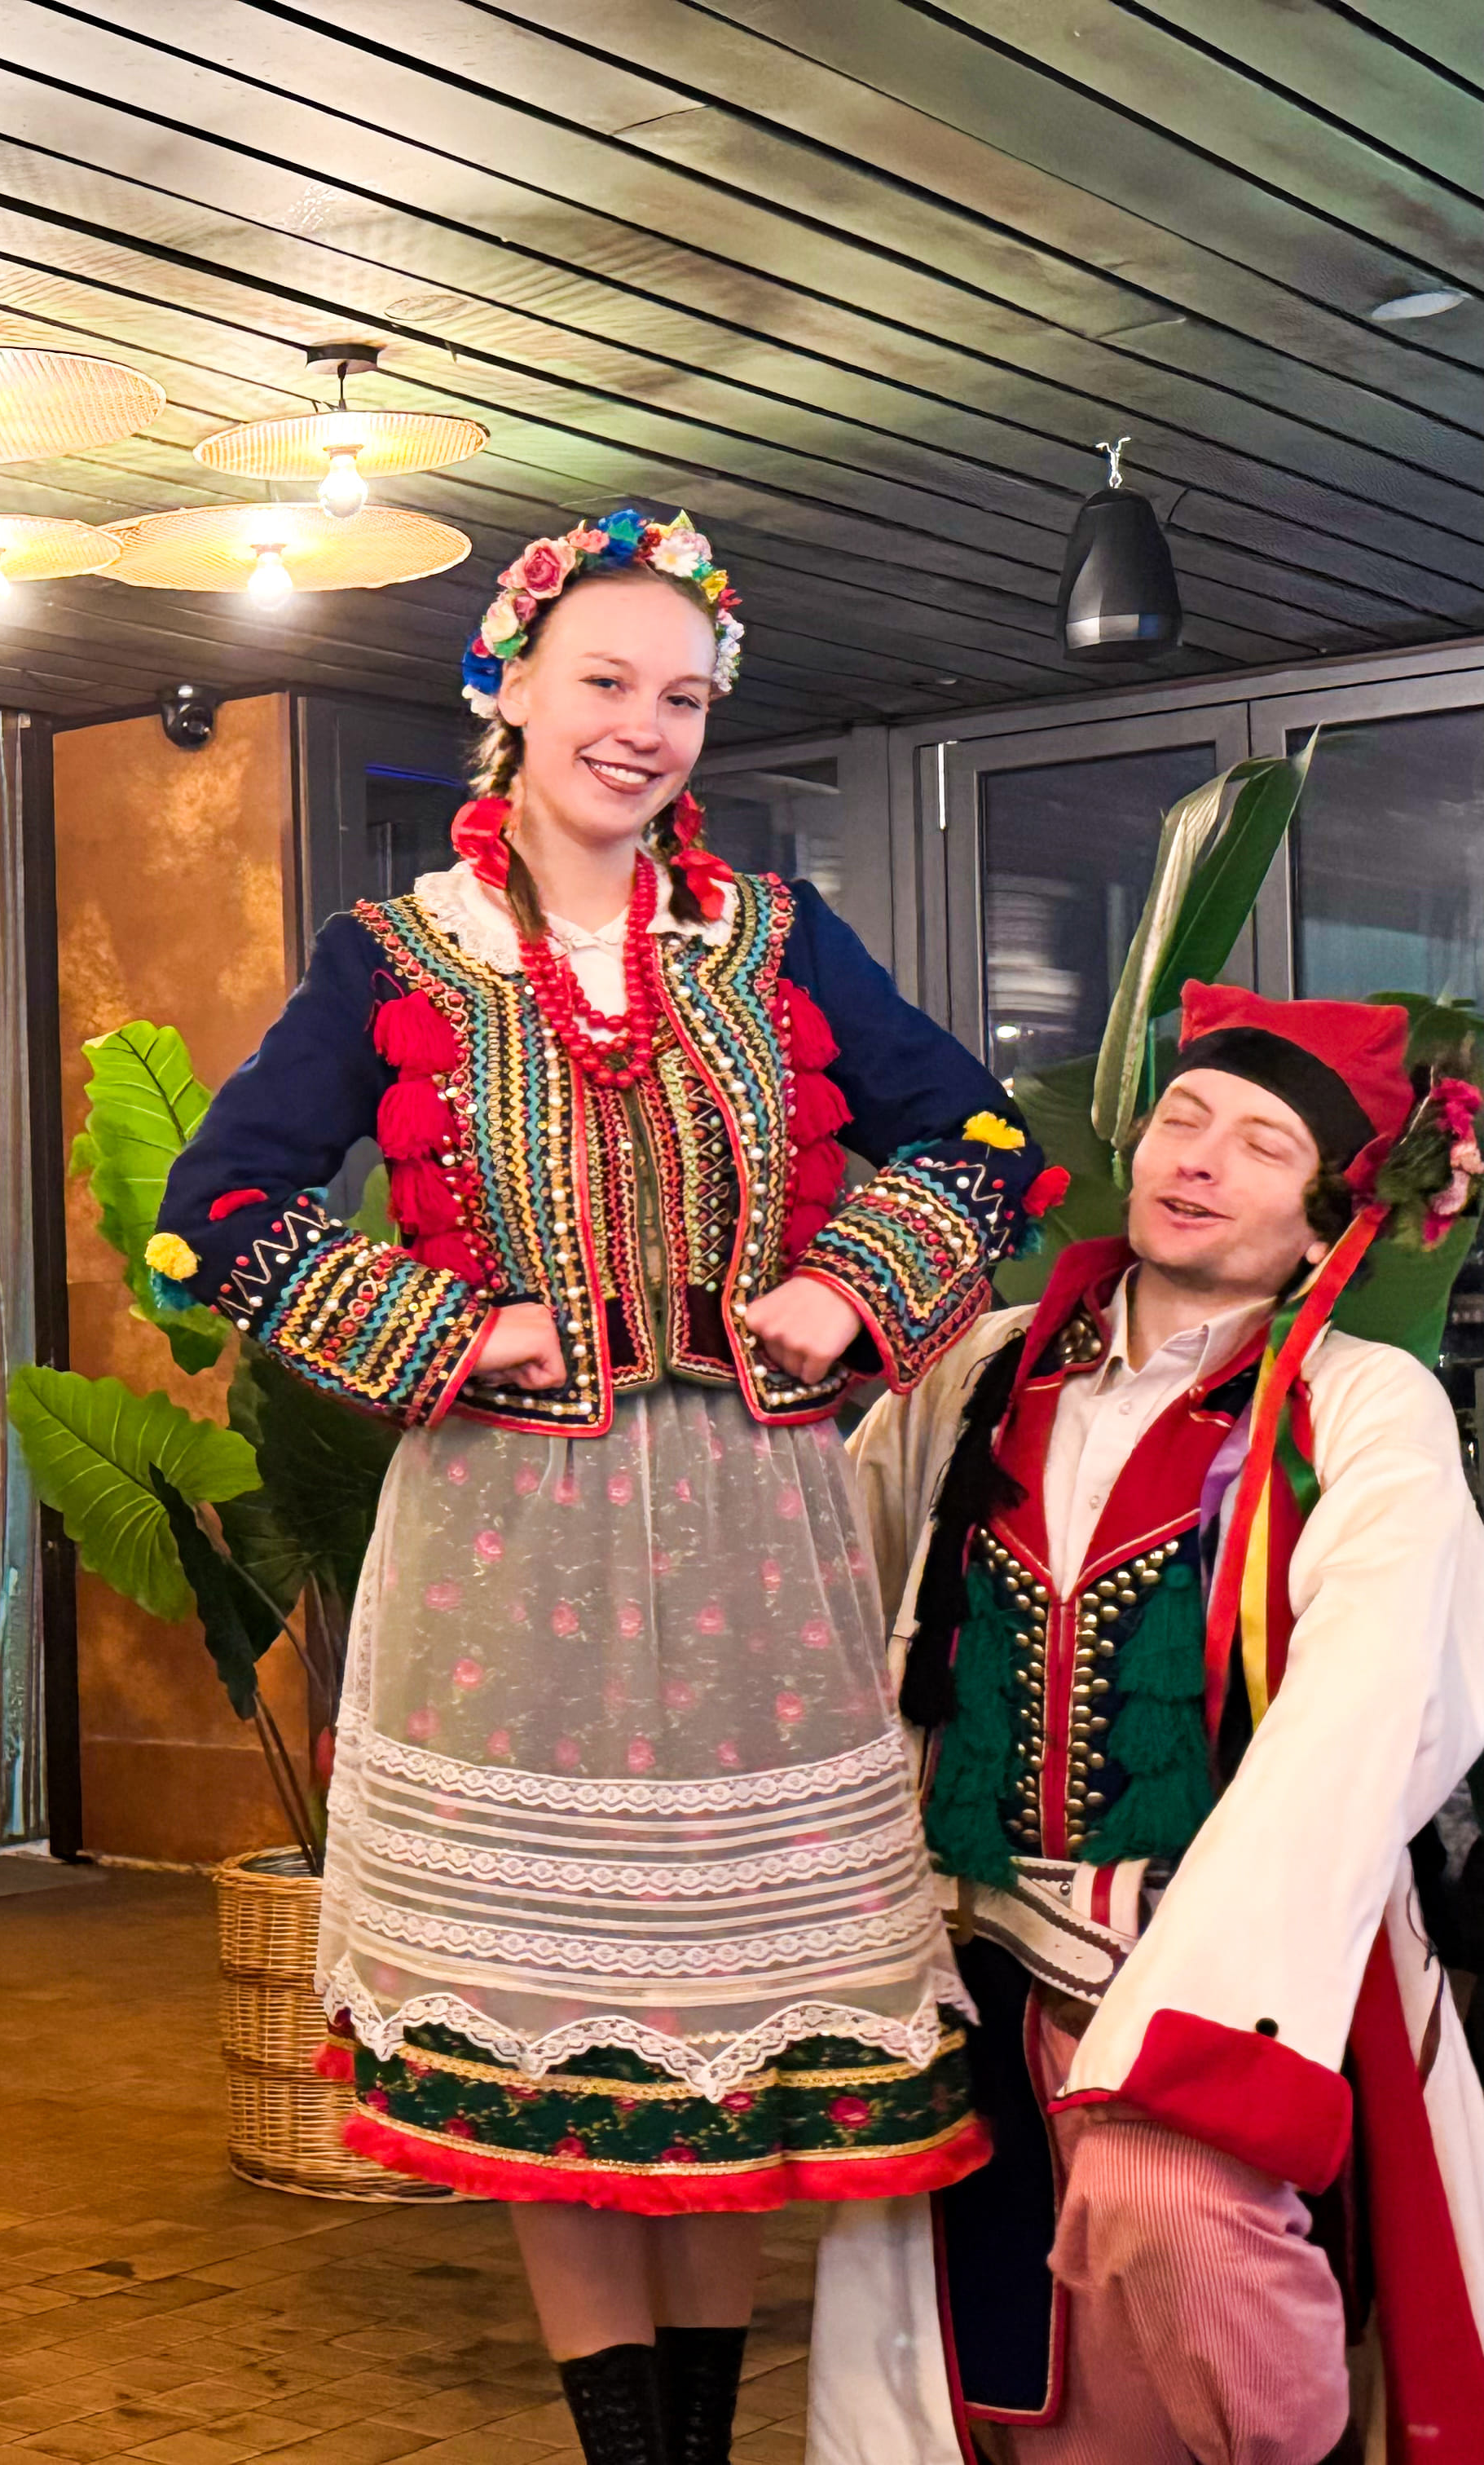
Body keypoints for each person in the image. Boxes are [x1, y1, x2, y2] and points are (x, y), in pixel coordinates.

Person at [149, 510, 1046, 2465]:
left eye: (684, 698)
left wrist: (842, 1289)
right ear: (511, 690)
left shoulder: (776, 940)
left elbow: (980, 1141)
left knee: (727, 2028)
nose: (644, 726)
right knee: (550, 2027)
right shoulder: (393, 956)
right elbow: (214, 1211)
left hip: (755, 1538)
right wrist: (454, 1332)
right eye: (607, 682)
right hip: (507, 1547)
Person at [810, 986, 1484, 2465]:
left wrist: (1198, 2012)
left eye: (1261, 1144)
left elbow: (1373, 1706)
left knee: (1179, 2234)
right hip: (972, 1963)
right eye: (1185, 1117)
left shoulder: (1363, 1407)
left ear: (1326, 1217)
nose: (1201, 1158)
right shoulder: (981, 1370)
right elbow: (832, 1602)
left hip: (1237, 1959)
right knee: (1010, 2375)